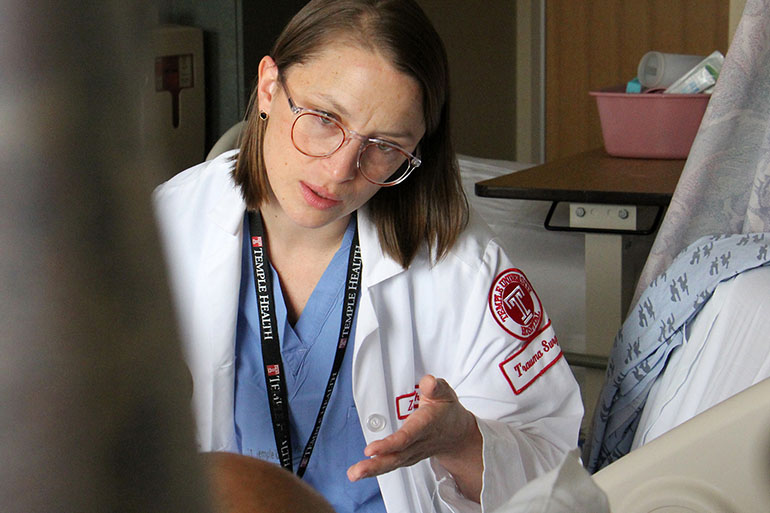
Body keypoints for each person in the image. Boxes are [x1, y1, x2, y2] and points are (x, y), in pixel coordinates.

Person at [153, 0, 583, 511]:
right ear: (269, 87)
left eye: (383, 145)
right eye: (322, 118)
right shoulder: (167, 225)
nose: (339, 170)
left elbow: (557, 482)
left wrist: (462, 440)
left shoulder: (463, 268)